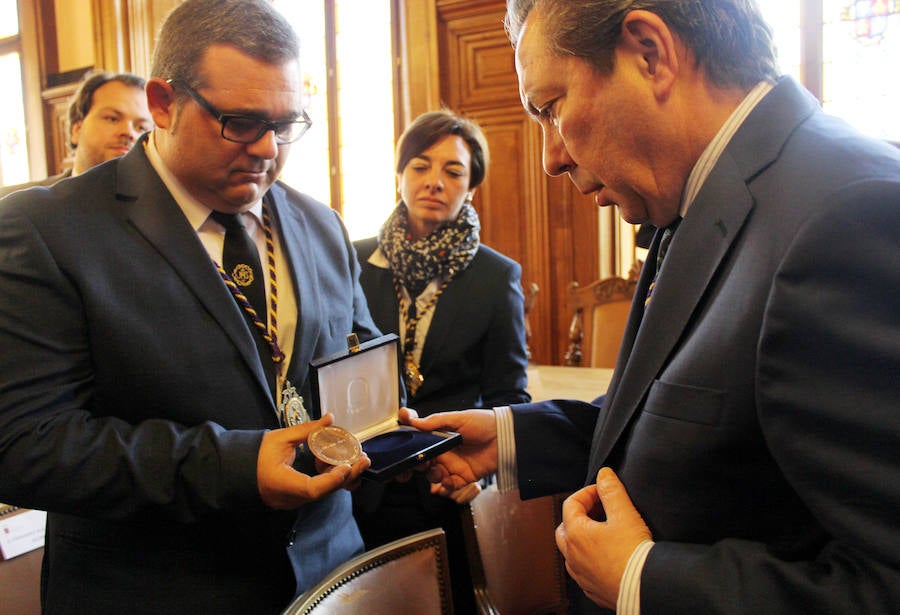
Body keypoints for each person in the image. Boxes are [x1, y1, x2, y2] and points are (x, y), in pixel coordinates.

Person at [406, 0, 900, 613]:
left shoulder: (851, 215)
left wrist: (645, 580)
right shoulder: (704, 192)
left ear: (649, 53)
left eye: (552, 109)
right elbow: (688, 421)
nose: (550, 157)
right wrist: (511, 437)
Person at [0, 1, 379, 613]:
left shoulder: (321, 224)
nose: (266, 149)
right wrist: (234, 466)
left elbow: (356, 362)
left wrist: (395, 434)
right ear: (163, 103)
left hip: (329, 578)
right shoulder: (48, 230)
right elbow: (24, 443)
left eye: (286, 125)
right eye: (240, 121)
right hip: (155, 589)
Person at [352, 109, 531, 612]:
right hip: (361, 484)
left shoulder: (497, 277)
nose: (434, 182)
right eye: (420, 166)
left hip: (444, 481)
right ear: (400, 174)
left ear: (471, 185)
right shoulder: (353, 260)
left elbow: (509, 395)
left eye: (453, 171)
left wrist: (482, 473)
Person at [0, 70, 152, 196]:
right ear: (76, 129)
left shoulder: (160, 210)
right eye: (112, 119)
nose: (128, 132)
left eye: (141, 128)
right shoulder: (15, 205)